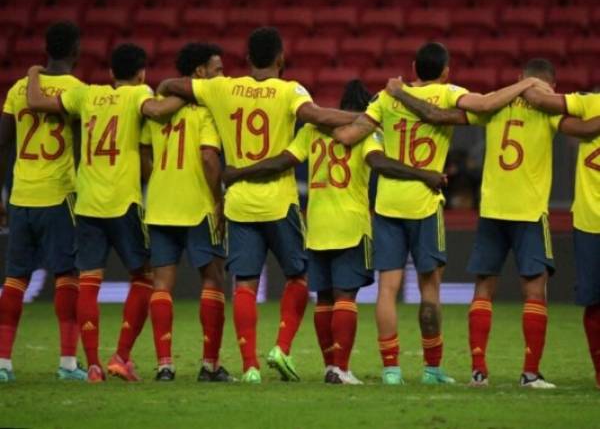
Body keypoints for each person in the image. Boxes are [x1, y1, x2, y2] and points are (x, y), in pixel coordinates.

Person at [335, 42, 546, 385]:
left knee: (387, 289)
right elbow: (488, 103)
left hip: (387, 203)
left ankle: (391, 370)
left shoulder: (387, 97)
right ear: (447, 70)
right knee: (429, 289)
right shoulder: (450, 93)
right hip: (424, 204)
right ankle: (432, 369)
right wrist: (524, 84)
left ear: (414, 67)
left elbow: (348, 135)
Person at [157, 27, 358, 383]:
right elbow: (319, 116)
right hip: (279, 201)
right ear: (280, 58)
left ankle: (249, 366)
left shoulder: (222, 87)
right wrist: (365, 119)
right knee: (298, 276)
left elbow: (175, 84)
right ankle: (281, 347)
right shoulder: (290, 90)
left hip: (238, 203)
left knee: (245, 284)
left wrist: (164, 94)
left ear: (248, 59)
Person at [388, 58, 600, 388]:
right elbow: (588, 130)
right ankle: (530, 374)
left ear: (520, 78)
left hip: (492, 209)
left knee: (484, 287)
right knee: (534, 289)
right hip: (529, 211)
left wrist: (401, 95)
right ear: (551, 86)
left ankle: (478, 371)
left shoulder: (494, 105)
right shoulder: (548, 111)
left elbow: (439, 116)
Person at [223, 79, 447, 384]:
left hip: (316, 226)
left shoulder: (311, 131)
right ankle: (341, 368)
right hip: (351, 224)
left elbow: (281, 162)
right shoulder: (367, 132)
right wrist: (424, 175)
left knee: (325, 299)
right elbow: (379, 162)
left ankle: (330, 366)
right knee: (345, 299)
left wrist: (240, 172)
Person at [26, 43, 185, 382]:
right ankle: (121, 356)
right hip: (123, 201)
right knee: (144, 277)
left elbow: (36, 102)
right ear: (141, 73)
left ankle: (94, 364)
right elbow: (158, 111)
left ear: (111, 73)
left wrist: (32, 73)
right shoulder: (138, 94)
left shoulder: (87, 95)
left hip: (87, 203)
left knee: (89, 282)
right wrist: (191, 94)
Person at [0, 21, 86, 382]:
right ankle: (67, 364)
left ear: (46, 49)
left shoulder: (20, 88)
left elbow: (3, 141)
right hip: (59, 194)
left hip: (21, 195)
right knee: (67, 275)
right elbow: (82, 148)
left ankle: (3, 363)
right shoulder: (78, 91)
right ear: (76, 51)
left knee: (15, 278)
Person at [141, 43, 232, 382]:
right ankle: (210, 365)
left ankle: (164, 365)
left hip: (161, 206)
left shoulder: (157, 110)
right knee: (213, 279)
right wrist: (218, 198)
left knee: (162, 284)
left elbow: (143, 155)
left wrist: (163, 181)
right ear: (199, 73)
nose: (222, 76)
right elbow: (210, 159)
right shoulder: (205, 112)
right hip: (198, 207)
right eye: (218, 70)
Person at [520, 80, 600, 389]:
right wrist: (526, 85)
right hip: (590, 222)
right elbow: (539, 100)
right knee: (594, 302)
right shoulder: (590, 102)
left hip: (589, 222)